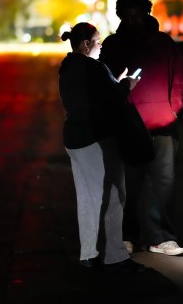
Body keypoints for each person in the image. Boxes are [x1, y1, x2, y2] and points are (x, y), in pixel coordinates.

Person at [99, 0, 183, 256]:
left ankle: (162, 238)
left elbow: (180, 81)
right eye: (128, 15)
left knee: (164, 184)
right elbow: (105, 85)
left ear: (147, 12)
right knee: (128, 186)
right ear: (121, 16)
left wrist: (173, 110)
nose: (134, 20)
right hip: (128, 126)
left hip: (162, 125)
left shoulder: (164, 43)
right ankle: (128, 236)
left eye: (138, 14)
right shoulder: (113, 46)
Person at [58, 22, 145, 273]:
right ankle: (114, 255)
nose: (101, 46)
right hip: (96, 138)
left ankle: (89, 253)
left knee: (87, 197)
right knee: (113, 195)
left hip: (75, 139)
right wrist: (126, 84)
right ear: (86, 44)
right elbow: (112, 99)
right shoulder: (92, 67)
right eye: (98, 41)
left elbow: (94, 96)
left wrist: (114, 82)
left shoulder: (68, 67)